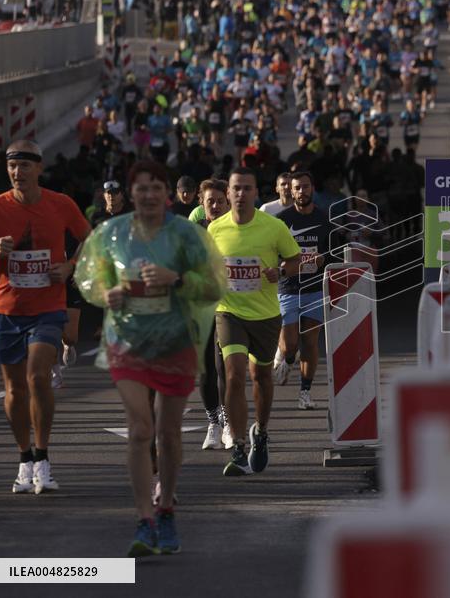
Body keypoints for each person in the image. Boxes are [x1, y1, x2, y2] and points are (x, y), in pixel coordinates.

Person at [74, 160, 225, 557]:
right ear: (130, 193)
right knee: (141, 429)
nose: (148, 194)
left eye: (156, 187)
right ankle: (144, 520)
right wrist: (105, 293)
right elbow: (89, 276)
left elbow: (213, 286)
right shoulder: (112, 234)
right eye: (140, 188)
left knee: (169, 434)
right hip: (127, 343)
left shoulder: (186, 236)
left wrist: (175, 279)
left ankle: (167, 507)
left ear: (167, 194)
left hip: (175, 341)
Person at [0, 140, 91, 494]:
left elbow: (89, 238)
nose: (17, 172)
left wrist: (70, 267)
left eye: (25, 165)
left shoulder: (60, 204)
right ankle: (24, 459)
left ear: (39, 168)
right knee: (14, 388)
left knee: (39, 376)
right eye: (12, 166)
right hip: (6, 308)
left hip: (47, 307)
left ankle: (42, 457)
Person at [207, 168, 300, 476]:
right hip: (229, 312)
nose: (241, 194)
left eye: (247, 188)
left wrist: (281, 272)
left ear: (255, 192)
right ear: (229, 192)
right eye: (236, 188)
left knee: (261, 378)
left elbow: (295, 260)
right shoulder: (216, 229)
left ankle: (260, 432)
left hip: (265, 315)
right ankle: (236, 445)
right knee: (233, 374)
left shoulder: (273, 227)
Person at [275, 171, 338, 410]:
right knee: (290, 343)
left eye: (305, 187)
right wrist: (286, 264)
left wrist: (323, 259)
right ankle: (286, 358)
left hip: (314, 288)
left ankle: (305, 393)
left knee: (310, 343)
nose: (302, 192)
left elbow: (335, 252)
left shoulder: (324, 220)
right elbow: (273, 253)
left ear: (312, 189)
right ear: (291, 192)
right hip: (289, 289)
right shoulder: (281, 220)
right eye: (297, 188)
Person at [191, 179, 232, 451]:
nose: (215, 206)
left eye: (220, 200)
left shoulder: (236, 230)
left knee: (223, 366)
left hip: (229, 308)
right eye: (210, 201)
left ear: (227, 202)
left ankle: (228, 422)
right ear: (202, 205)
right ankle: (213, 423)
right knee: (205, 369)